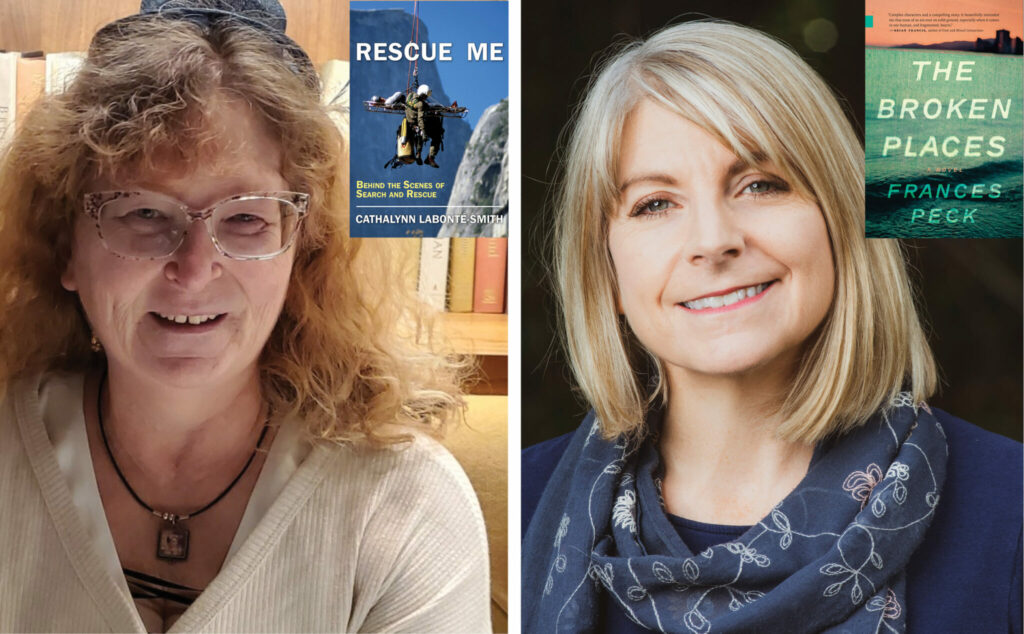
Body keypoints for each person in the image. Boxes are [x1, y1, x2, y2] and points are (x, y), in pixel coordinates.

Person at [0, 1, 490, 632]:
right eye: (144, 213)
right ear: (67, 244)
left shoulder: (407, 508)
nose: (195, 267)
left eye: (247, 218)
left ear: (302, 249)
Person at [521, 20, 1022, 633]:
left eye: (761, 185)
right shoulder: (513, 509)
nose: (713, 241)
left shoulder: (1011, 511)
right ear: (605, 267)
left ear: (840, 220)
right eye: (655, 203)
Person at [405, 83, 443, 168]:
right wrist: (424, 131)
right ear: (422, 94)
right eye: (425, 96)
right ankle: (430, 157)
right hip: (417, 124)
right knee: (437, 135)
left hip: (410, 123)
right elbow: (420, 118)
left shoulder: (410, 96)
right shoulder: (420, 104)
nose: (426, 98)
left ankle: (418, 153)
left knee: (419, 134)